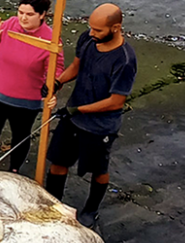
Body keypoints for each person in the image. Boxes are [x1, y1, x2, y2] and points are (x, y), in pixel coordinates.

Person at [43, 3, 137, 227]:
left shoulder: (124, 60)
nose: (92, 34)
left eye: (98, 30)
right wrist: (57, 82)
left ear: (115, 27)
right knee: (58, 162)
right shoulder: (88, 39)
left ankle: (91, 209)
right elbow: (77, 65)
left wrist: (79, 109)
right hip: (73, 117)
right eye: (91, 28)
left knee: (98, 169)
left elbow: (116, 101)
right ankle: (53, 203)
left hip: (99, 126)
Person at [0, 1, 64, 174]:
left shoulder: (50, 39)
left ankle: (14, 169)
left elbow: (56, 69)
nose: (23, 18)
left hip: (25, 101)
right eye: (20, 12)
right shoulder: (10, 24)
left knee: (21, 137)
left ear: (42, 14)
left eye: (29, 14)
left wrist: (52, 87)